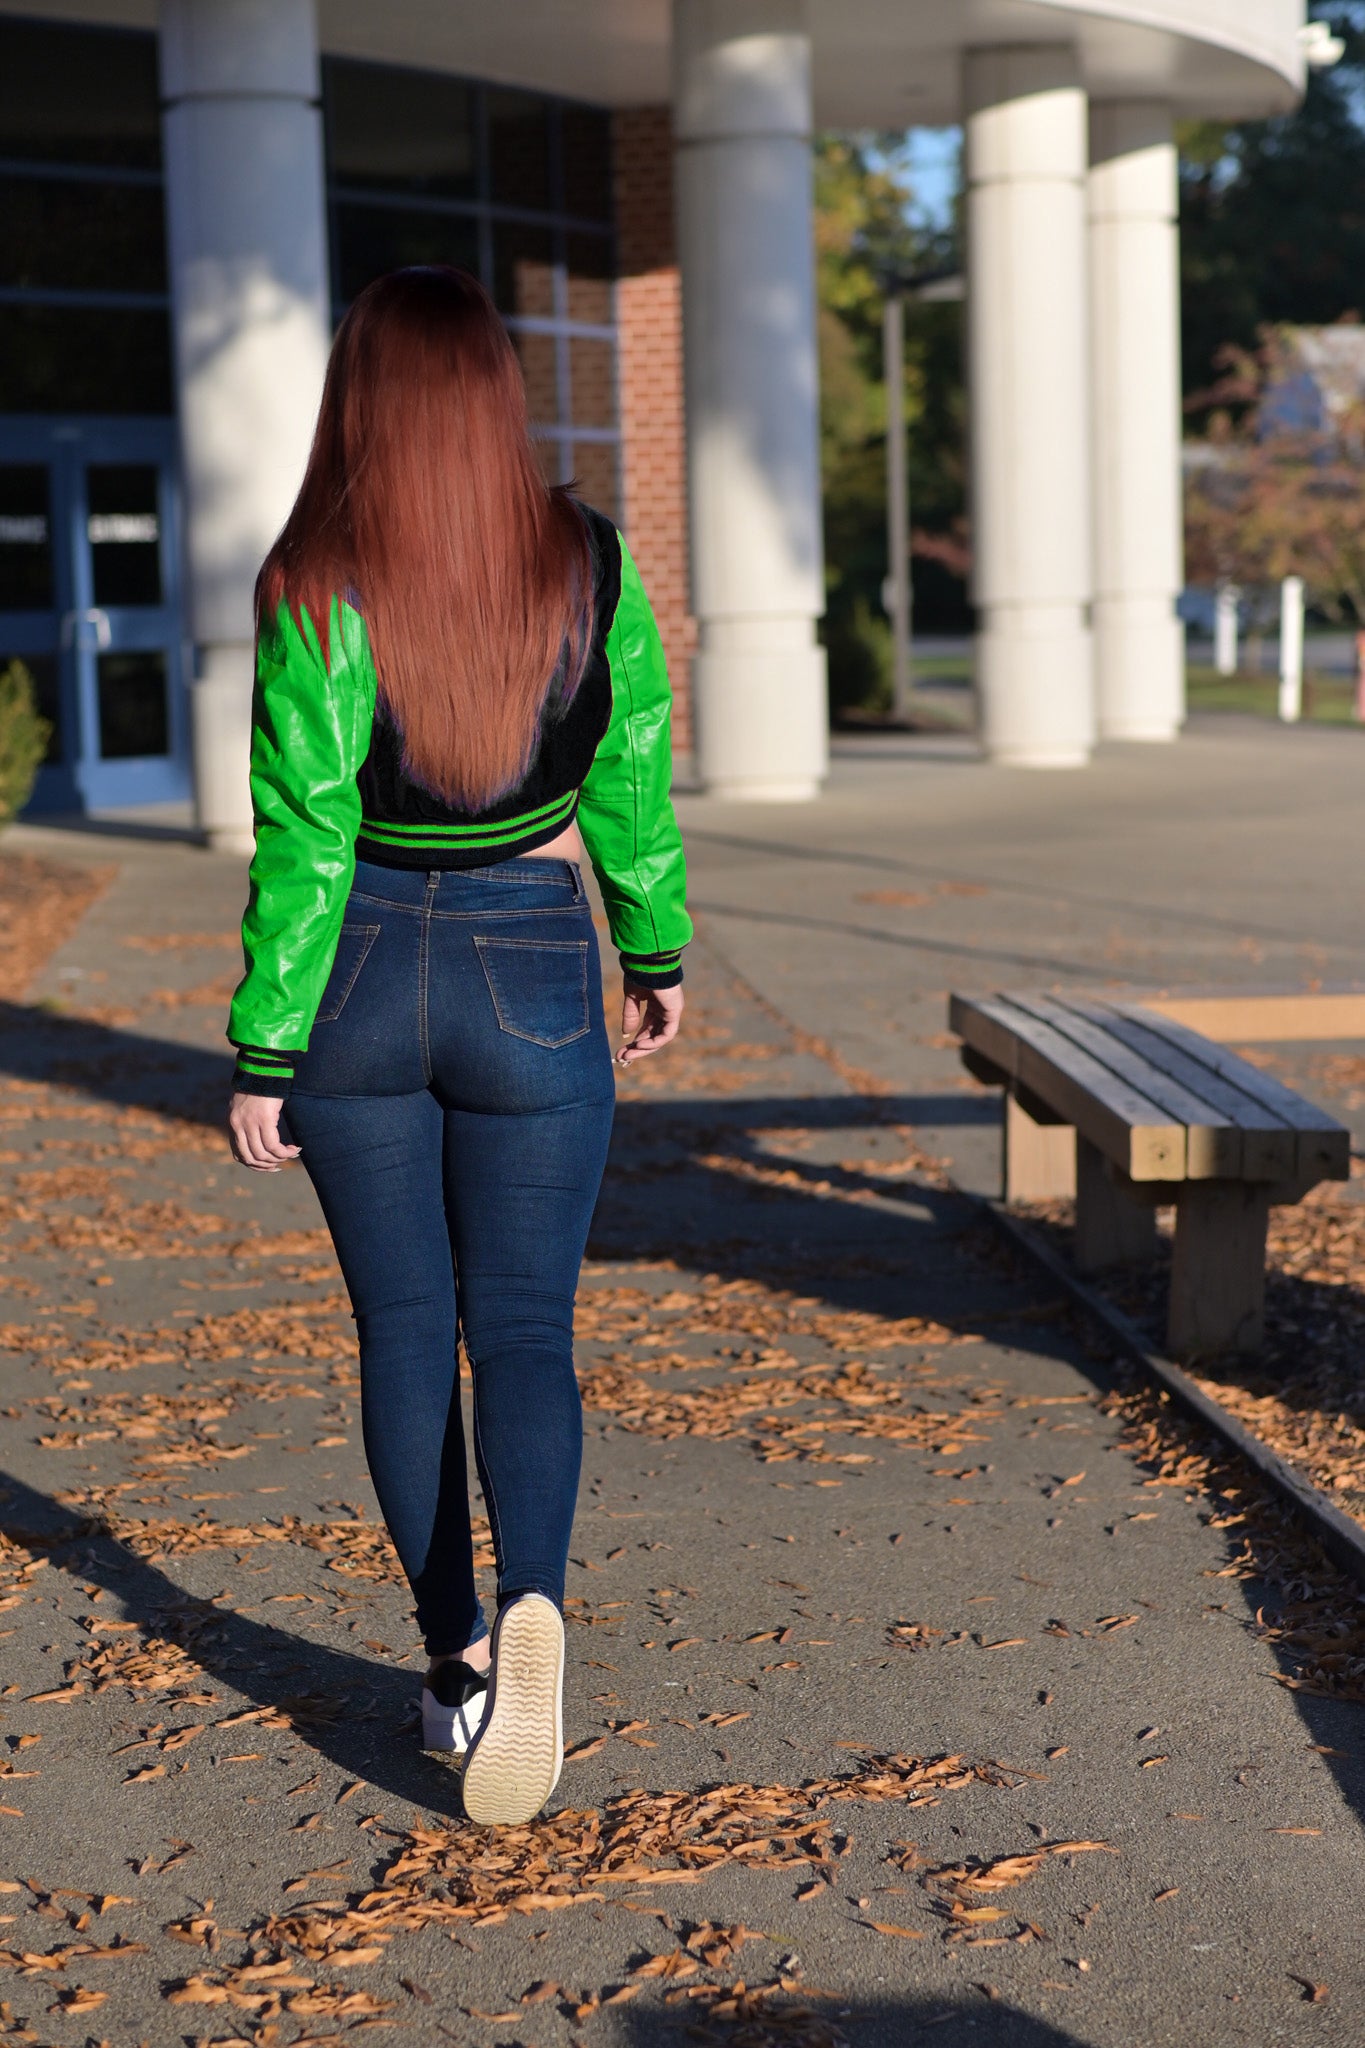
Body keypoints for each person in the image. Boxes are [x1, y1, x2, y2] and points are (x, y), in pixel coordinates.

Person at [223, 266, 689, 1828]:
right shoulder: (587, 564)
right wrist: (655, 941)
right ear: (498, 391)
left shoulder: (314, 579)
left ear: (360, 396)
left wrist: (264, 1047)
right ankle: (540, 1592)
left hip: (355, 968)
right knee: (530, 1332)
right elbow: (629, 766)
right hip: (532, 965)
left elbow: (300, 826)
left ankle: (456, 1664)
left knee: (404, 1330)